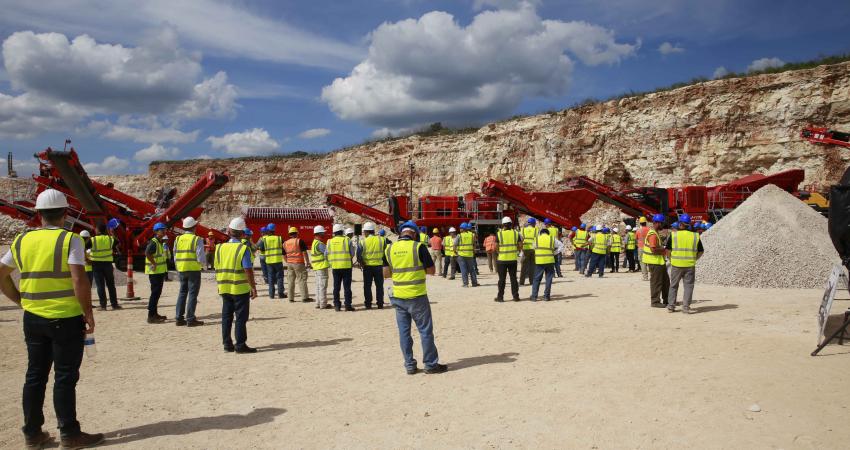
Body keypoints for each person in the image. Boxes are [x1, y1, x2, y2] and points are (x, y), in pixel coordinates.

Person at [0, 189, 104, 449]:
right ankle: (69, 434)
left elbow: (1, 274)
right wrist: (88, 314)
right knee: (65, 377)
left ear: (38, 213)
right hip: (66, 319)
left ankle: (32, 434)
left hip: (33, 319)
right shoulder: (71, 240)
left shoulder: (22, 240)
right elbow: (79, 279)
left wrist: (21, 301)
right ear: (66, 213)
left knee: (35, 375)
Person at [384, 220, 447, 375]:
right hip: (417, 295)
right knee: (425, 331)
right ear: (413, 233)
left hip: (398, 296)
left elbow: (385, 274)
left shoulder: (389, 248)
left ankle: (410, 366)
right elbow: (431, 270)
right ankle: (430, 365)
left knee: (404, 332)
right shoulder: (418, 247)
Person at [216, 217, 259, 353]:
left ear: (228, 231)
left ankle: (227, 344)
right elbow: (248, 269)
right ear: (242, 234)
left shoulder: (219, 248)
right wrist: (253, 287)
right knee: (241, 317)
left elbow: (217, 267)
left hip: (224, 287)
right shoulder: (242, 249)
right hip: (239, 288)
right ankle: (240, 345)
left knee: (226, 316)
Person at [665, 215, 704, 313]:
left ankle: (671, 306)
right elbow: (701, 251)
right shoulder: (695, 236)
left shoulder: (674, 235)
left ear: (680, 223)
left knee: (673, 285)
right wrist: (694, 258)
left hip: (676, 264)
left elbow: (668, 250)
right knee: (688, 286)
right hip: (690, 265)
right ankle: (686, 307)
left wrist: (671, 259)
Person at [174, 216, 206, 327]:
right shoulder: (197, 239)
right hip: (193, 270)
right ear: (194, 227)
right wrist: (204, 266)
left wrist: (178, 267)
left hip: (182, 268)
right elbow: (200, 257)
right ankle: (190, 319)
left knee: (182, 293)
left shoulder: (178, 239)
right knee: (192, 294)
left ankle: (179, 318)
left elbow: (175, 255)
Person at [90, 222, 120, 311]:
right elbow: (117, 241)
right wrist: (112, 233)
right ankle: (114, 304)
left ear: (98, 230)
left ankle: (103, 306)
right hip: (107, 264)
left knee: (100, 286)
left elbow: (83, 247)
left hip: (96, 265)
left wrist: (87, 258)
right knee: (111, 285)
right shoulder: (110, 239)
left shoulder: (93, 240)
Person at [643, 214, 670, 308]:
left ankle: (667, 300)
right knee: (656, 282)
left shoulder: (655, 233)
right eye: (662, 223)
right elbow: (653, 249)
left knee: (665, 282)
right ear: (658, 223)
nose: (663, 225)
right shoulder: (653, 235)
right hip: (654, 262)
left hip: (659, 262)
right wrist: (664, 250)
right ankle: (655, 302)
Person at [358, 222, 387, 309]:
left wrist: (362, 263)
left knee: (367, 286)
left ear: (366, 232)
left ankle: (368, 304)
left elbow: (358, 255)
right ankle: (380, 303)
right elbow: (386, 253)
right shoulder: (381, 240)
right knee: (379, 286)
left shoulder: (363, 241)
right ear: (373, 231)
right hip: (378, 266)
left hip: (367, 267)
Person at [145, 223, 169, 323]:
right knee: (155, 294)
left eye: (164, 230)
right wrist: (154, 263)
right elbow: (147, 253)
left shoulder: (159, 242)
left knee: (157, 293)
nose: (164, 231)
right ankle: (151, 316)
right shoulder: (154, 242)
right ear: (156, 231)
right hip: (155, 273)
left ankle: (155, 314)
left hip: (159, 272)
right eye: (161, 230)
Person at [328, 224, 355, 311]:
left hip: (335, 267)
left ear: (334, 232)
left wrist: (332, 261)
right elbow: (352, 253)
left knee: (336, 287)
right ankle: (348, 305)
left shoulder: (330, 241)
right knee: (347, 287)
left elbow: (326, 254)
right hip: (346, 267)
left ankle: (337, 305)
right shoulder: (347, 240)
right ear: (342, 232)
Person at [494, 217, 521, 302]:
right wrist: (516, 251)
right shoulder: (516, 233)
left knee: (502, 279)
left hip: (502, 260)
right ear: (511, 224)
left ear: (503, 224)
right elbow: (520, 246)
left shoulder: (499, 234)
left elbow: (496, 247)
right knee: (513, 279)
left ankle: (500, 297)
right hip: (513, 259)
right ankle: (516, 296)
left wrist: (500, 253)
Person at [284, 227, 312, 303]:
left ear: (289, 234)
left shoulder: (285, 243)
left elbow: (284, 254)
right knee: (302, 280)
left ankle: (291, 298)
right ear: (296, 233)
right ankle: (304, 297)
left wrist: (287, 261)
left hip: (290, 264)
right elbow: (304, 252)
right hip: (299, 263)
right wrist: (308, 262)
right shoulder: (299, 241)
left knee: (290, 281)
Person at [258, 223, 286, 299]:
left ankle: (271, 295)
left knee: (270, 277)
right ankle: (280, 293)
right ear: (274, 230)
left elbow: (262, 249)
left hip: (269, 261)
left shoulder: (265, 239)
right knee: (279, 277)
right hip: (278, 261)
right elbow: (284, 250)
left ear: (268, 231)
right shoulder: (279, 238)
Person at [530, 228, 556, 301]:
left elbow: (533, 248)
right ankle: (546, 296)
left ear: (540, 233)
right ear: (548, 233)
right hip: (550, 261)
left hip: (539, 261)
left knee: (537, 279)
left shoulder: (536, 239)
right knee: (548, 279)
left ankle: (534, 297)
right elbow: (560, 246)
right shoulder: (552, 238)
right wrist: (554, 253)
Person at [310, 225, 331, 309]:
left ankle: (318, 303)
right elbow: (327, 253)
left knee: (318, 286)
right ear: (319, 233)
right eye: (323, 233)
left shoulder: (314, 243)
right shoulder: (320, 244)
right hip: (322, 267)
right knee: (322, 286)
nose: (324, 234)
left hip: (316, 267)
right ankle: (323, 304)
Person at [455, 223, 479, 287]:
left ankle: (465, 284)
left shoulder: (459, 236)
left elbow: (455, 245)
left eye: (460, 228)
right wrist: (473, 252)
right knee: (472, 269)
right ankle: (474, 283)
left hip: (461, 255)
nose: (460, 229)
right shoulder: (472, 235)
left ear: (463, 229)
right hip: (470, 255)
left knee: (464, 270)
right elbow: (474, 244)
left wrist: (455, 252)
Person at [519, 218, 538, 285]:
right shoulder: (536, 230)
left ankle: (521, 282)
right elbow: (537, 240)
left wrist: (521, 249)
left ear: (528, 223)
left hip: (525, 249)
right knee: (532, 266)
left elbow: (520, 240)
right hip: (533, 249)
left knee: (524, 266)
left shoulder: (523, 230)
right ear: (533, 224)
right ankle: (532, 281)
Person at [636, 216, 649, 281]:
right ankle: (653, 275)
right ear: (645, 222)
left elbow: (636, 239)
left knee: (642, 262)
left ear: (640, 223)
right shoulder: (649, 230)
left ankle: (645, 277)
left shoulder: (638, 231)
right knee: (649, 261)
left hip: (641, 248)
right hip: (648, 247)